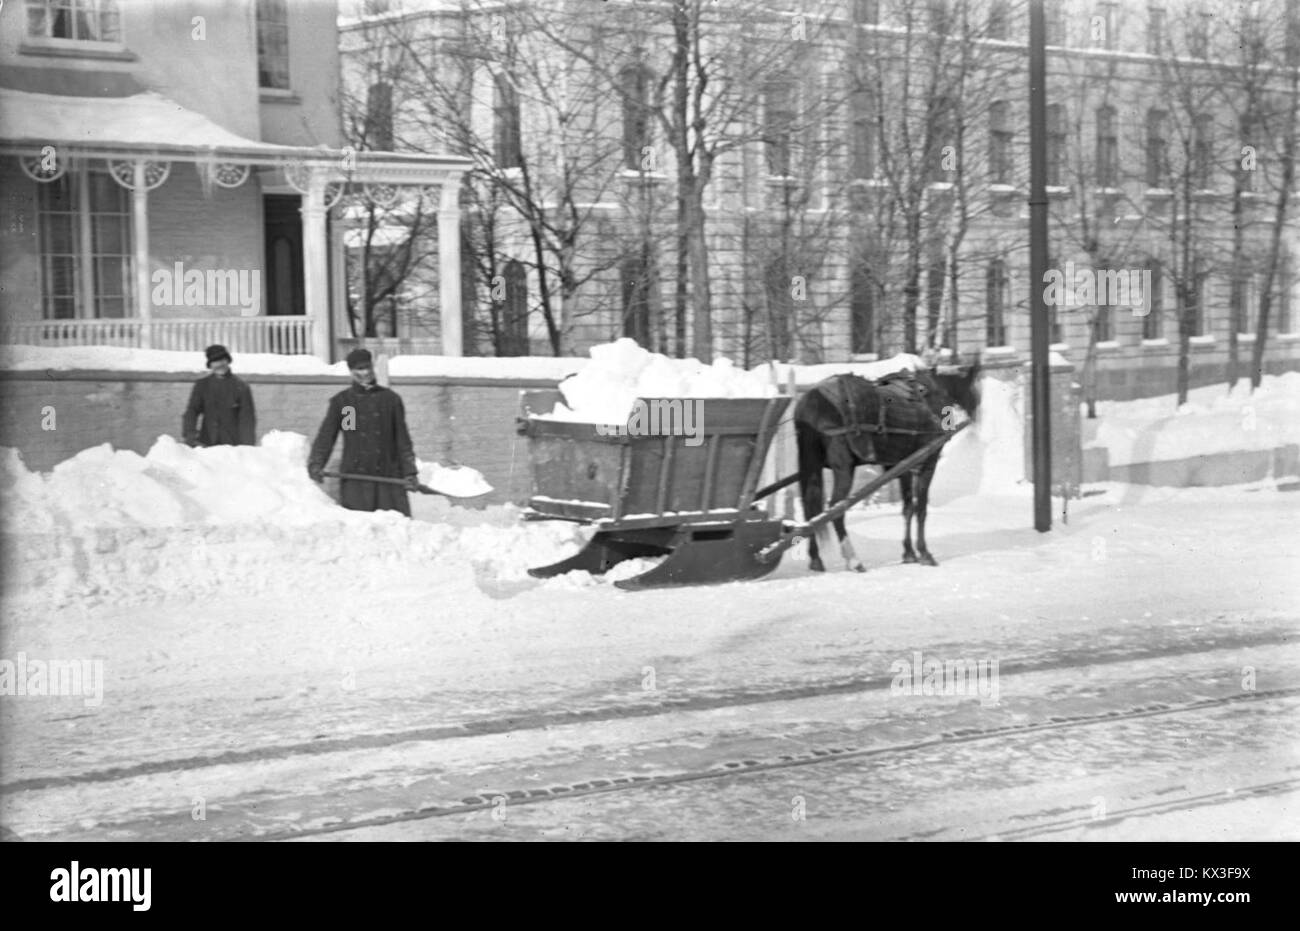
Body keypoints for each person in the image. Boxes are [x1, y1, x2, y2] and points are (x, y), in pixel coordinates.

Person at [307, 348, 420, 516]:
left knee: (396, 529)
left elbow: (402, 440)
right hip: (356, 479)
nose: (365, 372)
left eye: (367, 367)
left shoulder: (390, 400)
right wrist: (316, 463)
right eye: (359, 369)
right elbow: (328, 436)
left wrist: (410, 472)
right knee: (362, 530)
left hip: (388, 479)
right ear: (351, 372)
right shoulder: (346, 403)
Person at [182, 344, 257, 447]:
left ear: (227, 361)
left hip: (232, 447)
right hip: (206, 444)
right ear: (210, 364)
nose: (219, 364)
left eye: (222, 360)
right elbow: (192, 411)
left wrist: (247, 447)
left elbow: (247, 421)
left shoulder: (241, 387)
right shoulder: (202, 385)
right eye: (215, 361)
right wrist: (190, 435)